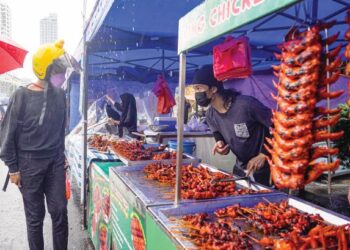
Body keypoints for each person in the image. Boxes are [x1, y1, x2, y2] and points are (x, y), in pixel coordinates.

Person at [0, 40, 74, 250]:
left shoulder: (60, 95)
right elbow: (7, 134)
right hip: (29, 164)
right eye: (59, 69)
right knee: (35, 217)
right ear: (46, 70)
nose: (62, 74)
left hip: (55, 162)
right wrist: (13, 168)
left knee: (60, 211)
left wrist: (62, 156)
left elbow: (60, 130)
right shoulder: (21, 95)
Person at [191, 65, 272, 186]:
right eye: (195, 89)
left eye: (199, 88)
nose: (197, 94)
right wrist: (220, 145)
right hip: (240, 170)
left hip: (265, 170)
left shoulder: (246, 105)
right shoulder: (210, 115)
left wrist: (264, 154)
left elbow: (277, 127)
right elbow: (218, 134)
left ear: (213, 89)